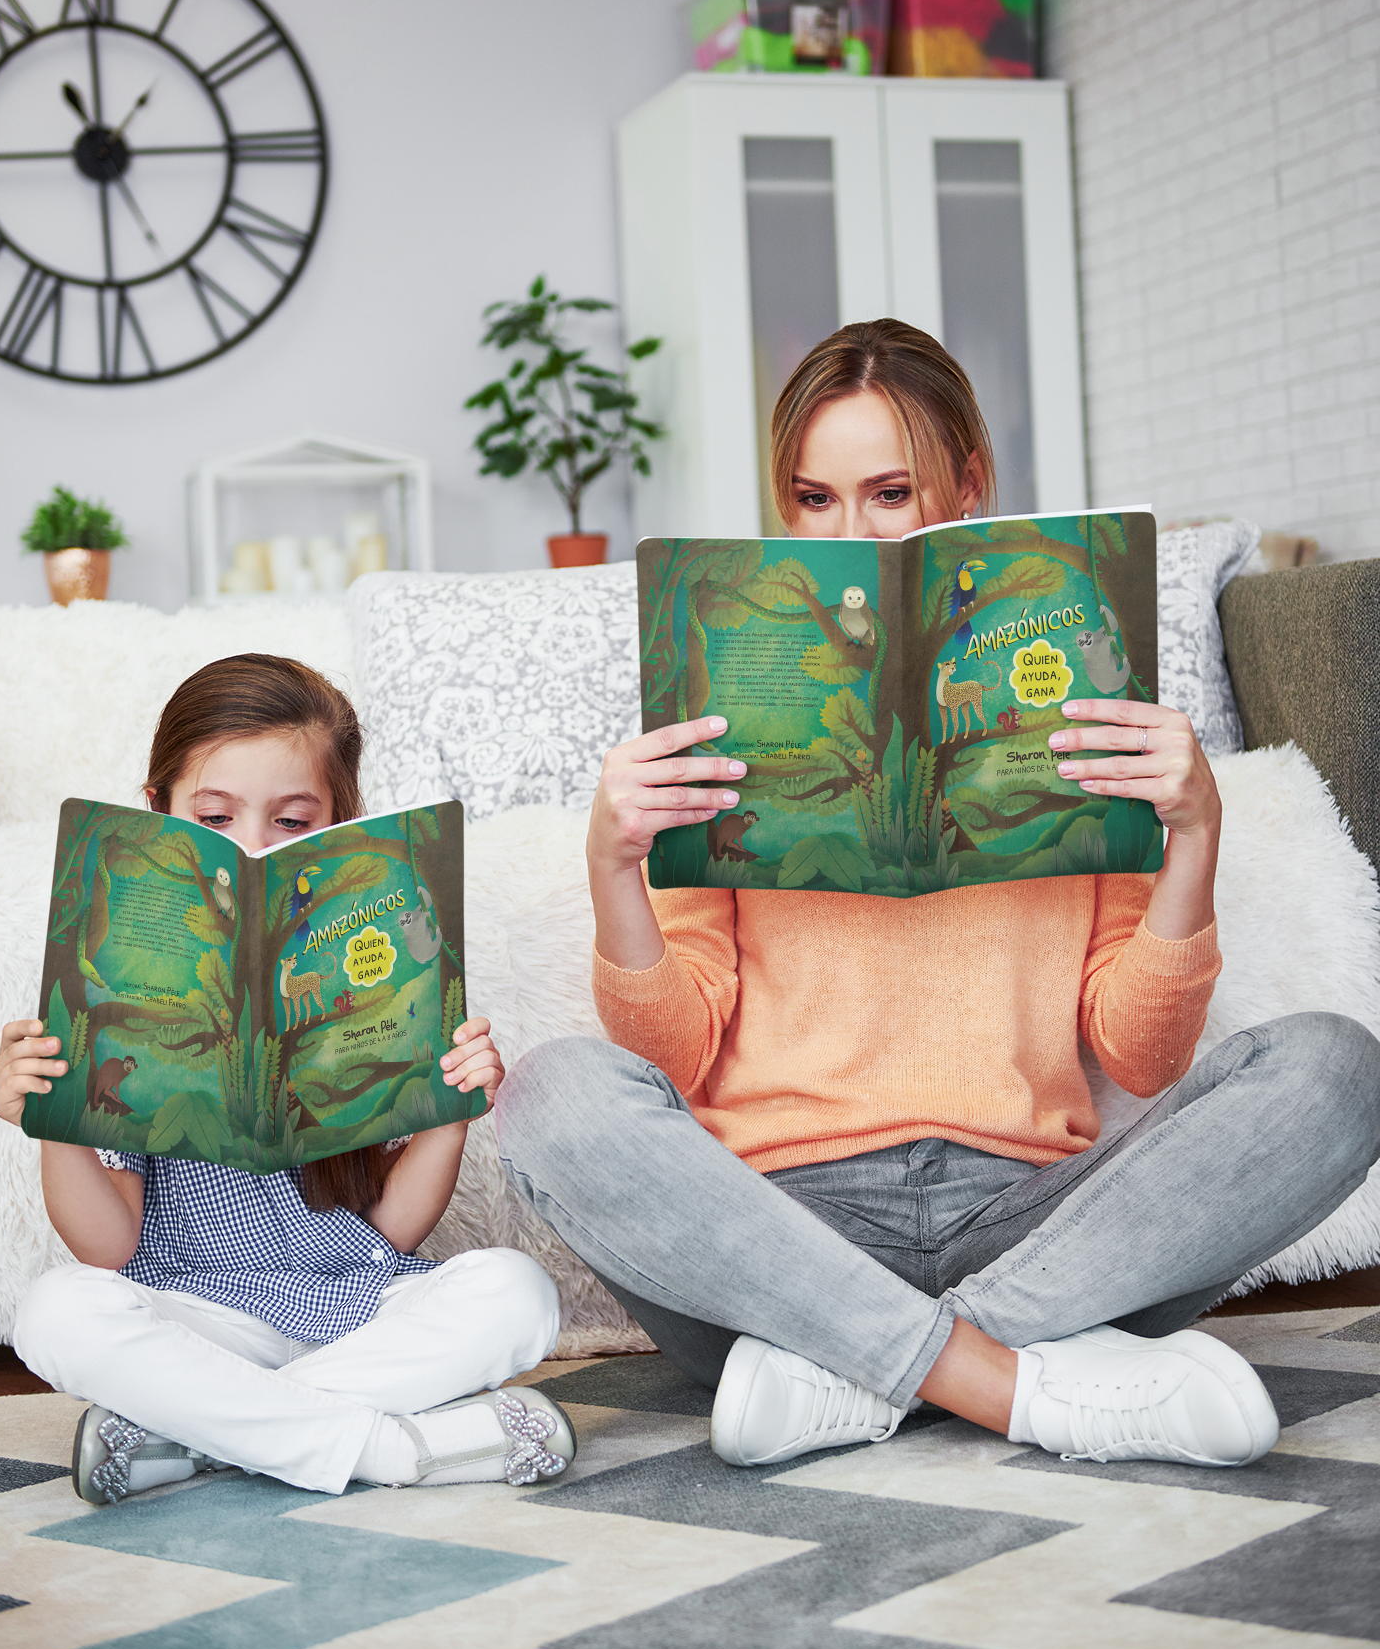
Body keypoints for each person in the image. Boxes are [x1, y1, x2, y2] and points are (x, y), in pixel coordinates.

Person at [496, 319, 1380, 1472]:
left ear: (967, 490)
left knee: (1335, 1068)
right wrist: (617, 867)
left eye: (890, 492)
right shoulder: (724, 711)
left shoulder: (1066, 700)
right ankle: (1017, 1384)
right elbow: (672, 1053)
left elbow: (1144, 1055)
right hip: (777, 1237)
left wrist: (1195, 835)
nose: (850, 532)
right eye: (813, 498)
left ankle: (862, 1377)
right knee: (553, 1093)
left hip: (1041, 1224)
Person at [0, 653, 573, 1506]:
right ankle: (391, 1448)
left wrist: (449, 1115)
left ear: (341, 827)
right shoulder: (115, 984)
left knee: (519, 1293)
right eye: (215, 817)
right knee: (54, 1310)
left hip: (362, 1308)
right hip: (198, 1321)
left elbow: (391, 1232)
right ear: (159, 814)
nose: (253, 848)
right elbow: (108, 1248)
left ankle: (196, 1437)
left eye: (293, 823)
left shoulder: (363, 970)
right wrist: (58, 1118)